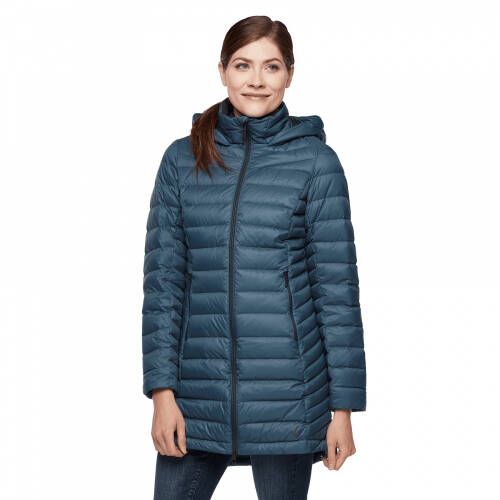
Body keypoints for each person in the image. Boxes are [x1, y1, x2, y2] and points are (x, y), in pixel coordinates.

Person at [142, 15, 367, 500]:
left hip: (290, 400)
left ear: (290, 74)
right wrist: (161, 393)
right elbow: (164, 286)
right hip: (197, 397)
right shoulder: (182, 160)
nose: (257, 80)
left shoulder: (316, 164)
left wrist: (343, 411)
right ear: (222, 70)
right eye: (243, 65)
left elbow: (337, 295)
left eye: (271, 66)